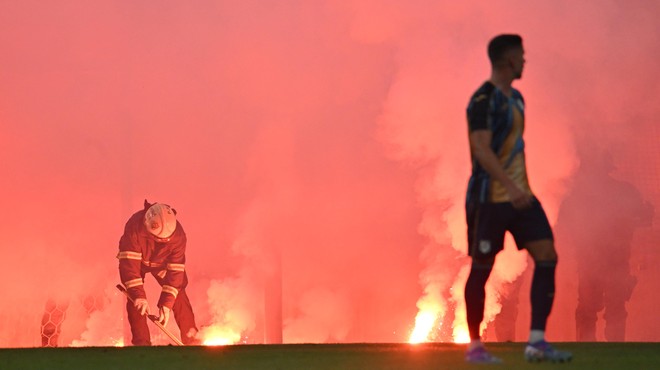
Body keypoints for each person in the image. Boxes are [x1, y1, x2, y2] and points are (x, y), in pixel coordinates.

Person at [463, 34, 572, 363]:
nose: (525, 61)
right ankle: (474, 346)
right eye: (521, 56)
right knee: (482, 267)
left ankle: (536, 342)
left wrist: (521, 187)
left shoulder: (519, 99)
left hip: (521, 196)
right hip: (490, 198)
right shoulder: (482, 101)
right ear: (507, 60)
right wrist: (509, 185)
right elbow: (481, 149)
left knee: (547, 253)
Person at [556, 149, 654, 341]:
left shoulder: (576, 196)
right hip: (611, 260)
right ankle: (613, 353)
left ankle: (587, 352)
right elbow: (644, 220)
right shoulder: (626, 192)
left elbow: (562, 226)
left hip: (594, 261)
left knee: (589, 309)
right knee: (612, 309)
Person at [117, 200, 199, 345]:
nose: (163, 242)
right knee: (136, 301)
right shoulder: (134, 227)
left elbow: (176, 271)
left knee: (178, 293)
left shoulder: (179, 236)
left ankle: (192, 341)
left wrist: (166, 304)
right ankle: (142, 345)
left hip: (162, 265)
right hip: (138, 262)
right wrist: (139, 296)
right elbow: (129, 265)